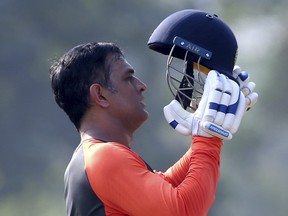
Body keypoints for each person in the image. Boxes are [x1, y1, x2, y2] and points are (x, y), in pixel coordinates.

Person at [49, 9, 257, 216]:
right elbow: (182, 210)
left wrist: (208, 133)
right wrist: (208, 139)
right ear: (100, 95)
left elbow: (166, 187)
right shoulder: (105, 157)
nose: (141, 86)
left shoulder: (93, 156)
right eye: (128, 78)